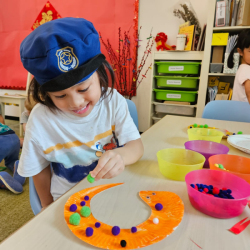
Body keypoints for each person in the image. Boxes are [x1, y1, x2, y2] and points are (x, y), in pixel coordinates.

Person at [18, 18, 144, 210]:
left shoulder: (113, 101)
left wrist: (121, 155)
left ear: (100, 75)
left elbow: (136, 146)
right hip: (68, 202)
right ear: (45, 94)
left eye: (84, 89)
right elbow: (38, 167)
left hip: (114, 192)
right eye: (60, 95)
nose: (76, 103)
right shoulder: (40, 120)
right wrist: (46, 205)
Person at [0, 123, 25, 194]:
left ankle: (1, 179)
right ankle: (16, 164)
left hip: (1, 141)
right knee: (11, 161)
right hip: (14, 138)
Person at [227, 30, 250, 103]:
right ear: (240, 52)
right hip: (245, 113)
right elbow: (249, 92)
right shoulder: (246, 69)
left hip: (238, 112)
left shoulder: (242, 68)